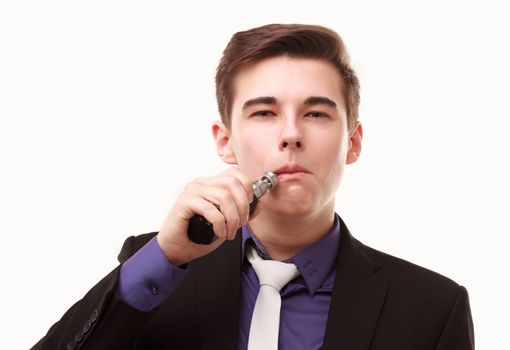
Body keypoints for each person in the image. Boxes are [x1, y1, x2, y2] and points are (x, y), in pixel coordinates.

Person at [32, 23, 474, 350]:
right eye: (264, 113)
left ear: (353, 143)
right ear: (225, 141)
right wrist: (166, 257)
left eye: (316, 113)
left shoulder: (433, 307)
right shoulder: (159, 271)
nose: (291, 134)